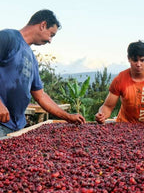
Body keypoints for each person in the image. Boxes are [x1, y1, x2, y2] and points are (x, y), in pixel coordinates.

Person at [0, 9, 85, 137]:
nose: (50, 40)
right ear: (43, 25)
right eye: (51, 34)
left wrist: (67, 116)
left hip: (17, 127)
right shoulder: (8, 38)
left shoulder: (32, 59)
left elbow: (40, 96)